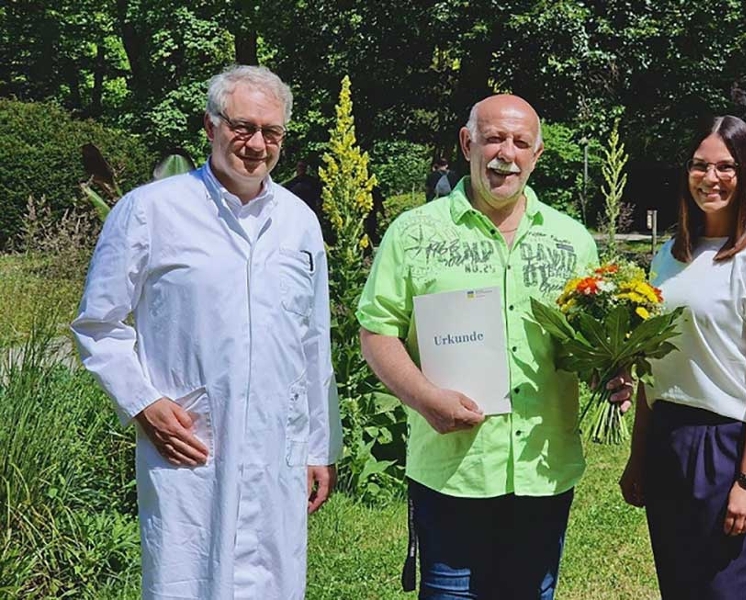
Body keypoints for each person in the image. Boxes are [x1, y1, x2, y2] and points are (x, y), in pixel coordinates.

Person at [71, 65, 341, 600]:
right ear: (211, 125)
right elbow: (98, 324)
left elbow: (313, 341)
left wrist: (319, 445)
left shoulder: (299, 222)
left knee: (273, 580)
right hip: (192, 440)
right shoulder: (151, 210)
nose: (256, 144)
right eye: (242, 127)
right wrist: (144, 402)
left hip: (276, 447)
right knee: (185, 575)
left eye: (272, 132)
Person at [357, 94, 632, 599]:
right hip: (452, 469)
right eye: (494, 138)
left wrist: (607, 371)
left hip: (541, 470)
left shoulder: (572, 242)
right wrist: (424, 398)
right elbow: (376, 332)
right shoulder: (415, 234)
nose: (507, 153)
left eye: (520, 142)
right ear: (468, 143)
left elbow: (580, 345)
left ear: (537, 154)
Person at [619, 115, 746, 598]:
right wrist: (640, 455)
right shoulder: (669, 255)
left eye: (726, 167)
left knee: (730, 590)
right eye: (700, 166)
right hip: (671, 441)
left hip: (732, 444)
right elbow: (653, 364)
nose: (711, 178)